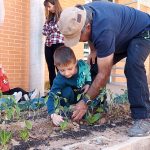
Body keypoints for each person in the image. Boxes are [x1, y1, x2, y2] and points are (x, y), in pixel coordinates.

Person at [57, 1, 150, 137]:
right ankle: (98, 108)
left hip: (143, 31)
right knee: (93, 64)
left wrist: (84, 101)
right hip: (120, 36)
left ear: (87, 27)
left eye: (78, 37)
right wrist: (93, 50)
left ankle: (143, 117)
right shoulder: (81, 12)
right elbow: (89, 36)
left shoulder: (104, 30)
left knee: (132, 65)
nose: (79, 41)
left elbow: (104, 75)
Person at [47, 46, 103, 126]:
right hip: (69, 98)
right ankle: (66, 112)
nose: (66, 73)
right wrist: (53, 115)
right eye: (62, 70)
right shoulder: (59, 79)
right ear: (56, 66)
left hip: (81, 96)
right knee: (67, 91)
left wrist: (88, 83)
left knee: (95, 92)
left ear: (75, 63)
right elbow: (51, 97)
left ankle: (94, 111)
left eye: (70, 69)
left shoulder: (82, 67)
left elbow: (87, 73)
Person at [42, 0, 64, 88]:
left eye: (49, 6)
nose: (48, 9)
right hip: (48, 45)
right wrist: (52, 28)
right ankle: (52, 90)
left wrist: (50, 29)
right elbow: (44, 31)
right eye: (47, 7)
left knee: (59, 68)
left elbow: (59, 28)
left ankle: (61, 90)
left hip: (59, 44)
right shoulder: (49, 18)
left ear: (55, 4)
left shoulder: (63, 15)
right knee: (50, 69)